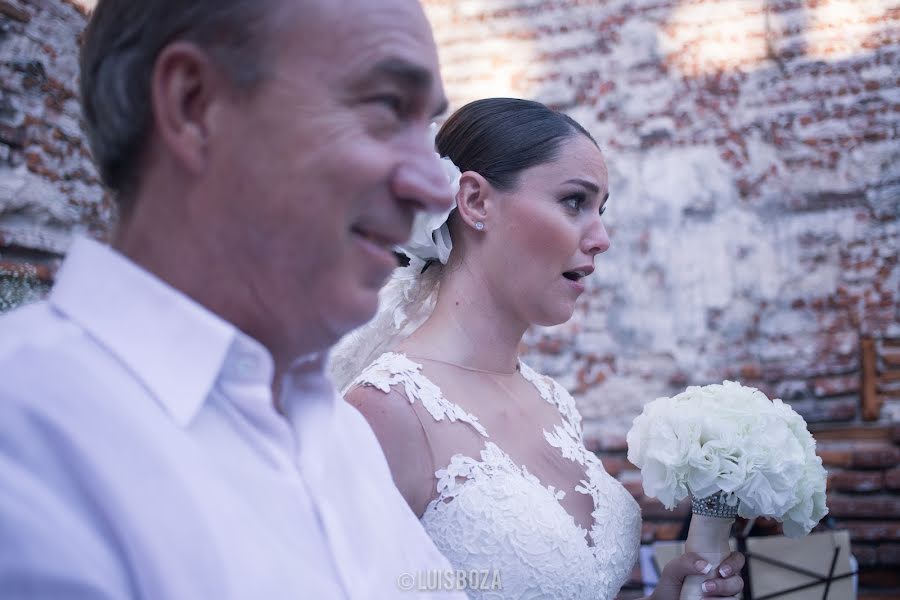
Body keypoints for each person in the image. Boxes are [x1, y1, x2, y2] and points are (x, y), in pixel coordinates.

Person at [0, 0, 468, 598]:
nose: (433, 189)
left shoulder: (337, 433)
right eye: (385, 108)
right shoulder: (30, 437)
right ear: (196, 106)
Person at [338, 98, 746, 599]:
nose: (601, 238)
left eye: (601, 210)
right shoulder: (386, 410)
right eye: (575, 202)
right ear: (475, 201)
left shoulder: (553, 402)